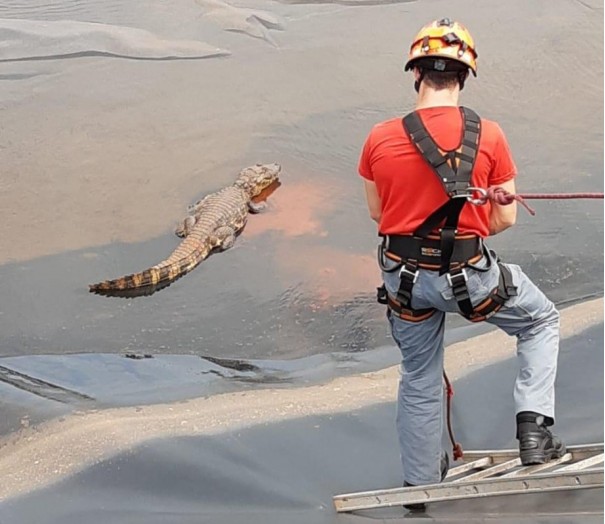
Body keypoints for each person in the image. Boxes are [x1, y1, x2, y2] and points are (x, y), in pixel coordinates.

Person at [357, 18, 565, 510]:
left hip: (405, 283)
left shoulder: (378, 138)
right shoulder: (488, 136)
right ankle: (534, 429)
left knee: (420, 375)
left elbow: (378, 214)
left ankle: (417, 486)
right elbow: (506, 218)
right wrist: (467, 224)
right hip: (471, 280)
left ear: (416, 75)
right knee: (540, 321)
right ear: (465, 78)